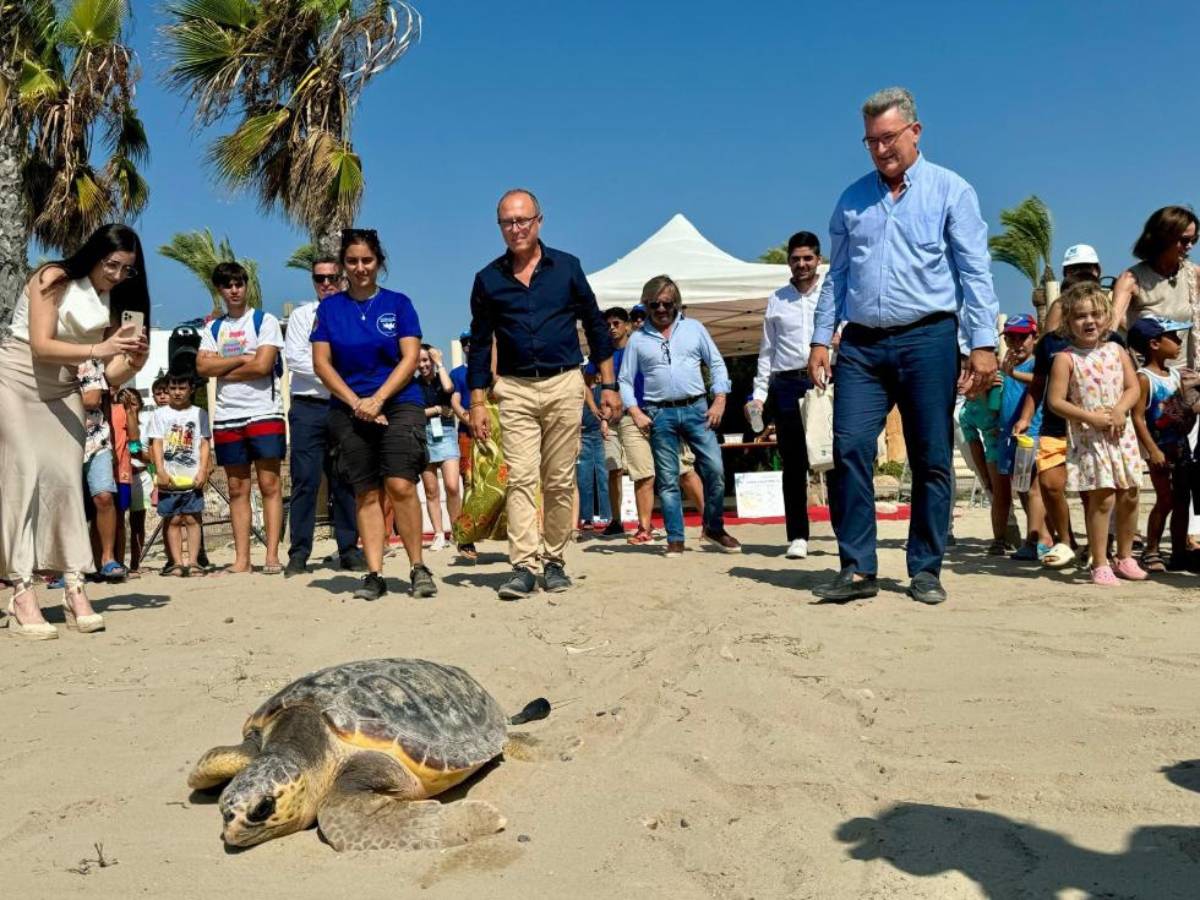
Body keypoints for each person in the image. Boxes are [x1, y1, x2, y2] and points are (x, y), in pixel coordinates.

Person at [808, 87, 999, 606]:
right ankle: (858, 567)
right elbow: (837, 275)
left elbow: (974, 271)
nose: (879, 150)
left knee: (931, 455)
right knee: (848, 446)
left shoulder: (951, 191)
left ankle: (925, 567)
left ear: (915, 132)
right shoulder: (851, 200)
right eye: (870, 141)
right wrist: (821, 338)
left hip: (928, 338)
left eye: (888, 138)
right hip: (863, 345)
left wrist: (983, 342)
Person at [467, 189, 619, 600]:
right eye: (507, 222)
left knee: (558, 480)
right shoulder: (487, 280)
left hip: (564, 383)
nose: (516, 229)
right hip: (513, 388)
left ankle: (554, 561)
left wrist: (608, 385)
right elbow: (480, 345)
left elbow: (595, 325)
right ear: (499, 227)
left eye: (522, 220)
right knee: (520, 478)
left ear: (539, 221)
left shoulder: (567, 268)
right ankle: (523, 566)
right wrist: (478, 402)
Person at [0, 223, 149, 639]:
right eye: (113, 265)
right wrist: (99, 349)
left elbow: (106, 373)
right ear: (94, 253)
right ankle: (21, 590)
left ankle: (75, 587)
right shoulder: (52, 277)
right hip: (16, 381)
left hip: (65, 388)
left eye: (128, 270)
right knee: (23, 474)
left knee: (67, 482)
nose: (118, 275)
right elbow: (41, 345)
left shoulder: (111, 298)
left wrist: (132, 361)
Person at [311, 228, 437, 601]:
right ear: (342, 265)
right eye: (352, 261)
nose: (360, 267)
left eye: (367, 260)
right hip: (349, 406)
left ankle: (417, 567)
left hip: (399, 400)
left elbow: (411, 357)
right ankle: (374, 573)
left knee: (400, 484)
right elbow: (322, 363)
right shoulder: (330, 308)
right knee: (365, 491)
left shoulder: (399, 304)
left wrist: (379, 399)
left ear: (379, 262)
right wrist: (357, 403)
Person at [620, 275, 739, 557]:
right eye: (654, 304)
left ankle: (713, 527)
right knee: (668, 478)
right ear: (646, 306)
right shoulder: (637, 339)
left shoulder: (695, 329)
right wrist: (635, 411)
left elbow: (717, 363)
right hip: (659, 412)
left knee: (716, 471)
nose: (661, 309)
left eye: (666, 303)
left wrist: (719, 398)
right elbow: (625, 380)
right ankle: (675, 537)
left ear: (677, 303)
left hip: (698, 408)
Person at [1014, 255, 1112, 568]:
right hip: (1055, 424)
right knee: (1051, 485)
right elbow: (1039, 385)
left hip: (1094, 428)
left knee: (1092, 490)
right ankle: (1065, 540)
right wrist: (1026, 416)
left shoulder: (1111, 341)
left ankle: (1099, 549)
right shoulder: (1049, 345)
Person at [1046, 283, 1145, 586]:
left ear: (1105, 318)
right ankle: (1099, 561)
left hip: (1121, 435)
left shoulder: (1117, 350)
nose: (1089, 321)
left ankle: (1125, 556)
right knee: (1102, 499)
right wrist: (1089, 417)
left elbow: (1133, 387)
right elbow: (1055, 401)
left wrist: (1119, 410)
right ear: (1068, 323)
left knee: (1130, 494)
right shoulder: (1066, 358)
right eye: (1080, 316)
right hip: (1090, 438)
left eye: (1095, 314)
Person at [197, 262, 286, 574]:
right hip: (227, 416)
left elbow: (263, 366)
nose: (234, 290)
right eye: (227, 285)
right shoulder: (213, 328)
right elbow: (202, 368)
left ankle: (272, 555)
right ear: (219, 290)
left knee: (270, 483)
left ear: (246, 286)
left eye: (238, 284)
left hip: (264, 412)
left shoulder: (265, 321)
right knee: (237, 488)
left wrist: (223, 367)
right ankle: (242, 559)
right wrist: (239, 359)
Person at [282, 255, 362, 577]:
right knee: (305, 480)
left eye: (332, 277)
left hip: (343, 407)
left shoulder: (354, 314)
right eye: (320, 278)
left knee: (345, 479)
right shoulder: (303, 316)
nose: (326, 284)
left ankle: (348, 548)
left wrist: (337, 380)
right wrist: (336, 377)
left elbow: (358, 357)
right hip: (308, 407)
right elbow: (298, 359)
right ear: (313, 281)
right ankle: (299, 553)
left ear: (343, 279)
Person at [750, 231, 824, 560]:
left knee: (835, 458)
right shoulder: (777, 299)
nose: (802, 264)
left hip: (825, 381)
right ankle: (797, 536)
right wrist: (759, 394)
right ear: (788, 262)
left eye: (808, 258)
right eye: (796, 259)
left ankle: (847, 531)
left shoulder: (832, 293)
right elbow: (767, 352)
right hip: (786, 383)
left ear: (818, 259)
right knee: (793, 463)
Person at [1129, 317, 1197, 572]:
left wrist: (1189, 416)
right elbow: (1137, 416)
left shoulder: (1175, 375)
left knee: (1182, 499)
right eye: (1174, 338)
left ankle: (1179, 552)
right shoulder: (1144, 378)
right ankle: (1152, 550)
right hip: (1160, 449)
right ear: (1154, 343)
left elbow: (1179, 409)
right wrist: (1153, 450)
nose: (1179, 343)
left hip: (1180, 447)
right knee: (1165, 499)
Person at [1112, 207, 1200, 366]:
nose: (1190, 246)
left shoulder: (1194, 275)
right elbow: (1111, 329)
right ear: (1163, 238)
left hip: (1188, 379)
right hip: (1148, 381)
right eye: (1185, 240)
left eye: (1194, 240)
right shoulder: (1131, 279)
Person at [149, 374, 212, 575]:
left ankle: (193, 561)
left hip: (192, 477)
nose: (177, 392)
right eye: (173, 388)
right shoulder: (160, 415)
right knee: (173, 519)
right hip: (169, 477)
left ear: (191, 389)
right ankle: (176, 562)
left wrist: (203, 470)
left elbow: (204, 443)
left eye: (181, 388)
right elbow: (156, 443)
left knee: (193, 519)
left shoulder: (199, 413)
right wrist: (160, 470)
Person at [997, 315, 1049, 561]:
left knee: (1033, 488)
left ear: (1034, 338)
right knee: (1023, 489)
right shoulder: (1007, 367)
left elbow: (1042, 382)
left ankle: (1036, 539)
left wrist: (1012, 373)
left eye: (1022, 337)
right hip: (1010, 434)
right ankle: (1040, 536)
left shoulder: (1034, 364)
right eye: (1011, 337)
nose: (1017, 343)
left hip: (1031, 432)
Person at [78, 357, 127, 580]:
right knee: (69, 506)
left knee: (105, 497)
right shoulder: (48, 361)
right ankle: (70, 568)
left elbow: (93, 399)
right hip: (60, 441)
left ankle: (108, 558)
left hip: (96, 440)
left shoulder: (92, 361)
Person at [416, 344, 462, 552]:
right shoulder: (413, 385)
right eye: (419, 361)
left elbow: (449, 389)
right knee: (431, 490)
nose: (423, 365)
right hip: (423, 436)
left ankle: (458, 531)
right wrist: (436, 409)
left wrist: (440, 364)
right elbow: (414, 413)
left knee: (452, 486)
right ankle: (438, 533)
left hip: (446, 434)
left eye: (426, 360)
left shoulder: (442, 378)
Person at [448, 330, 477, 559]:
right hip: (467, 433)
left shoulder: (489, 371)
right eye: (467, 343)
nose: (470, 346)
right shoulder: (457, 374)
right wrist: (467, 418)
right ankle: (466, 537)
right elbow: (454, 400)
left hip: (493, 433)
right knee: (467, 482)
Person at [119, 386, 151, 576]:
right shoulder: (116, 422)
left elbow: (137, 448)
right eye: (126, 404)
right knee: (119, 522)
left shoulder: (147, 421)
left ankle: (136, 562)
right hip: (123, 475)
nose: (131, 407)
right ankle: (117, 561)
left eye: (134, 402)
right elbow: (133, 448)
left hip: (141, 474)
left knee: (138, 521)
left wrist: (149, 459)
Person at [575, 366, 611, 533]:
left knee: (603, 477)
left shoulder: (603, 391)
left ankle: (606, 516)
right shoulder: (578, 392)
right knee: (584, 479)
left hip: (599, 435)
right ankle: (586, 517)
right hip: (583, 436)